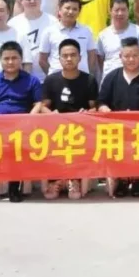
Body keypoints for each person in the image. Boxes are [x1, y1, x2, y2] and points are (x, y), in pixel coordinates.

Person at [0, 41, 43, 203]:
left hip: (22, 128)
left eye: (14, 58)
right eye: (6, 58)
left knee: (16, 145)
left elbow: (38, 104)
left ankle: (14, 188)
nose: (10, 62)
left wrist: (29, 120)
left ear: (21, 59)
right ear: (0, 60)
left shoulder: (32, 81)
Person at [98, 37, 139, 198]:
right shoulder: (112, 77)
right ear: (120, 57)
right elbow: (101, 101)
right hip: (117, 129)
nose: (131, 59)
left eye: (135, 55)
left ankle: (137, 180)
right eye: (127, 56)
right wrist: (104, 108)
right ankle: (121, 179)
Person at [38, 39, 98, 200]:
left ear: (80, 57)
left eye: (73, 55)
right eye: (65, 56)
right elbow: (43, 106)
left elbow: (95, 107)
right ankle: (56, 180)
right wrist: (52, 115)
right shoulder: (51, 80)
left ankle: (74, 179)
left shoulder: (89, 80)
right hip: (56, 128)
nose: (69, 59)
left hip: (81, 128)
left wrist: (87, 113)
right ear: (59, 58)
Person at [8, 0, 59, 82]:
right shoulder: (12, 24)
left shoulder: (53, 22)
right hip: (20, 79)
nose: (32, 1)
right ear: (21, 1)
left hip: (47, 78)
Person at [39, 0, 97, 77]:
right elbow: (42, 60)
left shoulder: (86, 31)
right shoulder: (49, 31)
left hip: (82, 79)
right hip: (57, 79)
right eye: (67, 8)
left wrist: (87, 74)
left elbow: (92, 56)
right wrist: (53, 76)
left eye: (75, 9)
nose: (71, 12)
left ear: (79, 12)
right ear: (60, 9)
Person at [97, 0, 139, 83]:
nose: (120, 13)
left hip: (134, 80)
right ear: (110, 11)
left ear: (128, 11)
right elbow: (100, 60)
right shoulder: (103, 35)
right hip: (109, 80)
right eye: (116, 10)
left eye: (123, 10)